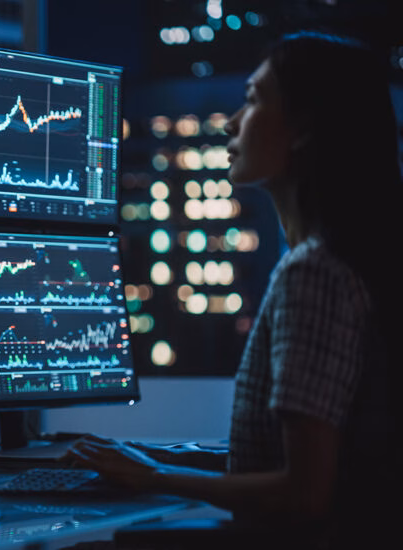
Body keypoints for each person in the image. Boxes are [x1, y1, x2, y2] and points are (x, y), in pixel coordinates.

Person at [67, 31, 401, 546]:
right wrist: (149, 458)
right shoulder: (349, 259)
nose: (232, 121)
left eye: (254, 99)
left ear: (303, 129)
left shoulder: (313, 271)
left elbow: (304, 492)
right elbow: (288, 463)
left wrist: (154, 479)